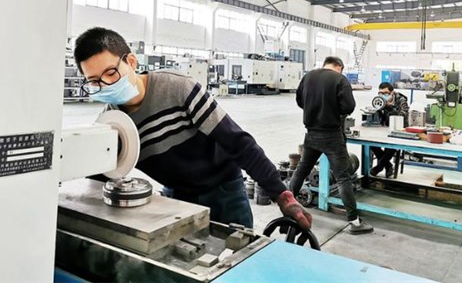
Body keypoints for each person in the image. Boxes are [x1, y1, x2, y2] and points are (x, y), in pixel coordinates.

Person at [74, 27, 311, 230]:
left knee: (237, 256)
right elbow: (99, 177)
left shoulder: (178, 89)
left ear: (131, 62)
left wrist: (282, 195)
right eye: (94, 81)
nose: (105, 85)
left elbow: (237, 143)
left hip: (224, 191)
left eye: (111, 73)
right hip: (177, 197)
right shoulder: (112, 124)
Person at [289, 56, 373, 235]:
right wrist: (331, 109)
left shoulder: (308, 76)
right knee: (343, 178)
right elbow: (348, 107)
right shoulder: (339, 79)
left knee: (301, 170)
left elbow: (300, 101)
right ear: (339, 67)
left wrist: (314, 110)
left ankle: (287, 205)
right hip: (332, 136)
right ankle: (354, 221)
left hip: (311, 133)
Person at [370, 82, 410, 177]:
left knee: (390, 146)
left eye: (386, 93)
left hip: (399, 129)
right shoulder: (380, 101)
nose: (383, 95)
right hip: (385, 129)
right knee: (371, 144)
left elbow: (402, 115)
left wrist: (390, 107)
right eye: (381, 93)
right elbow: (380, 117)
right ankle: (388, 165)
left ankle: (379, 167)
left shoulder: (401, 100)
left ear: (392, 92)